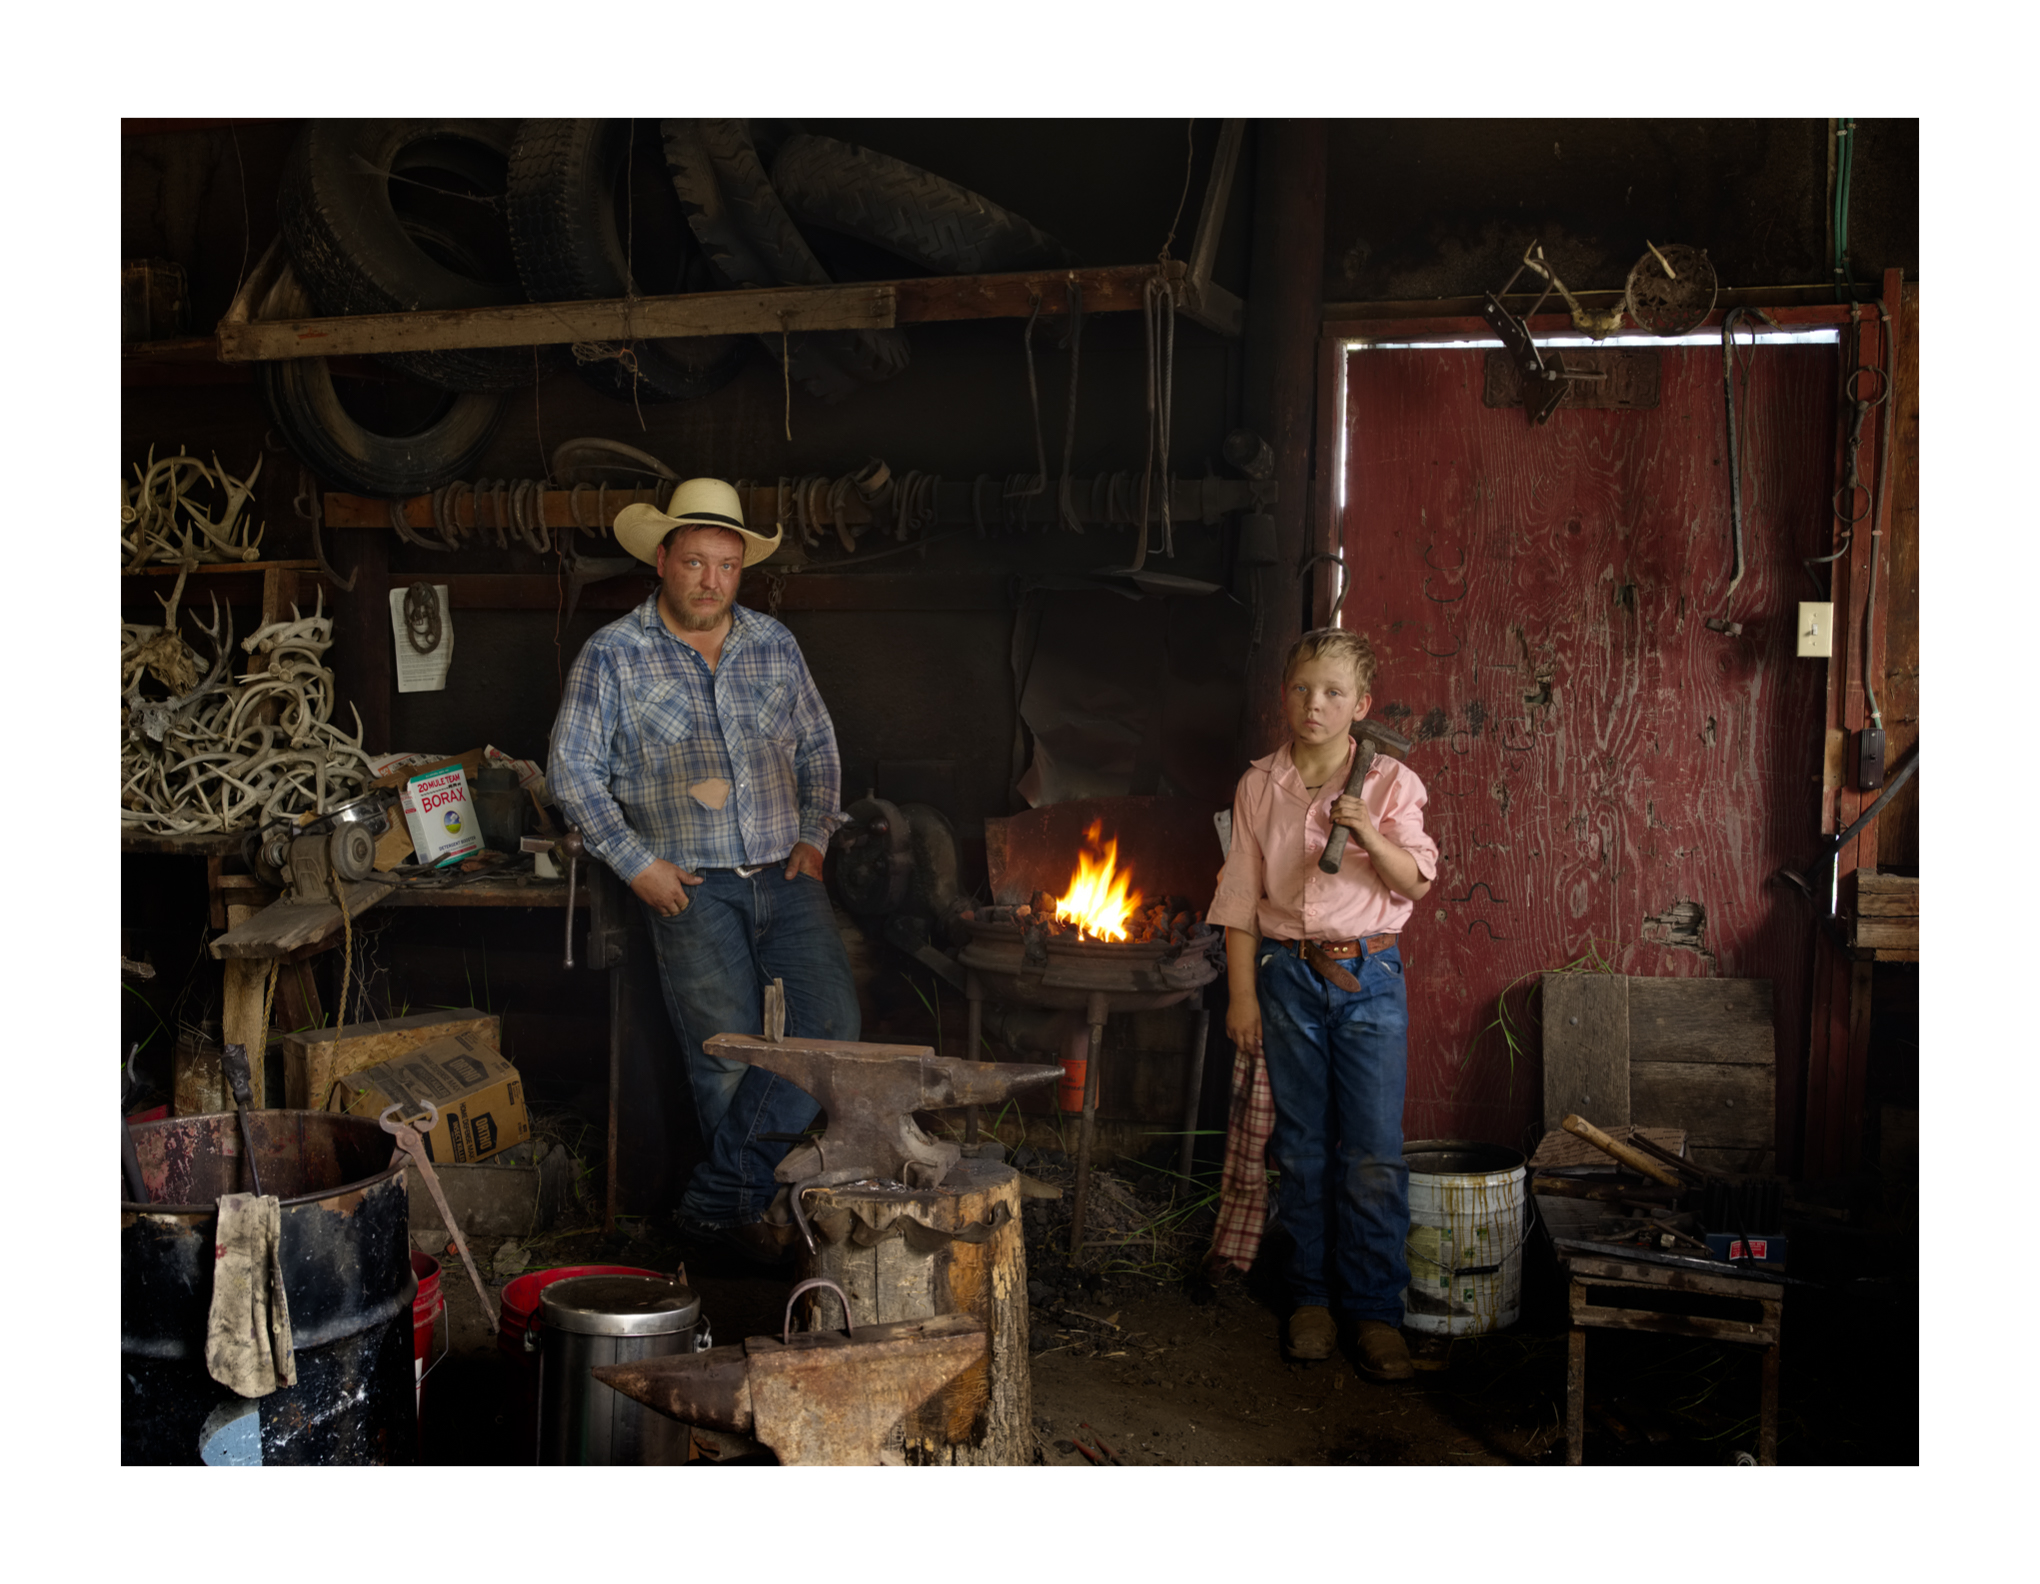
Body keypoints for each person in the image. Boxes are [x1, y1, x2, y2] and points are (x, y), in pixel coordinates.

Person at [548, 477, 860, 1263]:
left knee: (831, 1029)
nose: (711, 581)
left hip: (785, 875)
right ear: (662, 559)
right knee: (724, 1056)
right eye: (695, 562)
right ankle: (750, 1224)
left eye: (726, 565)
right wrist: (636, 865)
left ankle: (719, 1201)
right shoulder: (613, 654)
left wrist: (816, 835)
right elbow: (572, 771)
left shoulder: (773, 643)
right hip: (689, 886)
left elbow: (819, 746)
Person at [1204, 627, 1438, 1379]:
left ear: (1361, 706)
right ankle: (1310, 1299)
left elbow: (1415, 882)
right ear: (1284, 695)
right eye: (1303, 689)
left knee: (1371, 1152)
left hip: (1370, 976)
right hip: (1286, 977)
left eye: (1334, 693)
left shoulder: (1390, 782)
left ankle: (1374, 1311)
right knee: (1302, 1147)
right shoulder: (1258, 786)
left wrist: (1366, 828)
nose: (1315, 704)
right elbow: (1239, 898)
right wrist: (1242, 995)